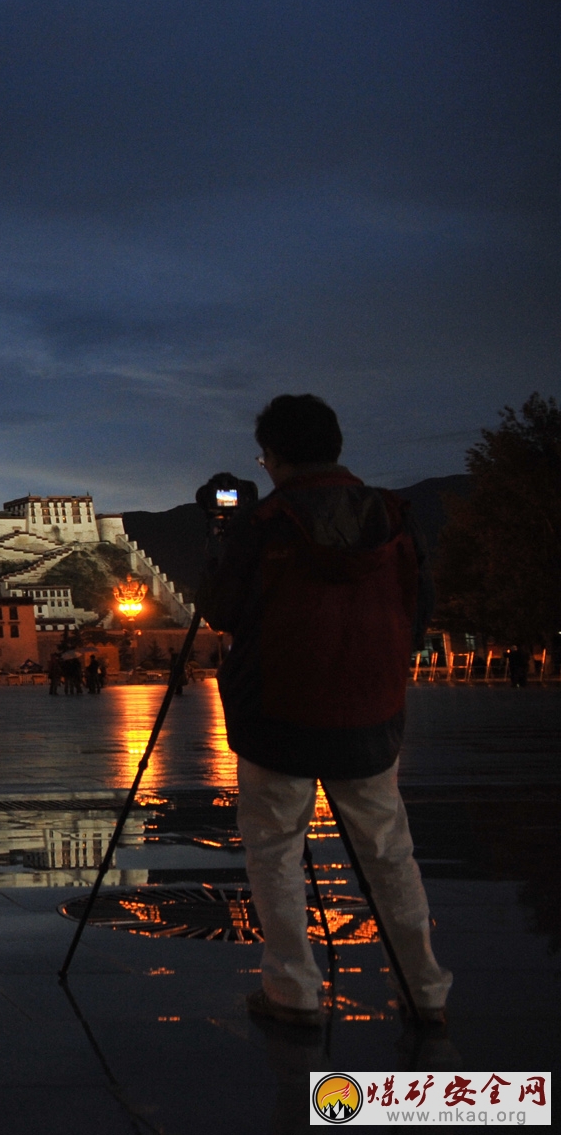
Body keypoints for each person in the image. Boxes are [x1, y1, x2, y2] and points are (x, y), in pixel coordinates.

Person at [198, 393, 451, 1030]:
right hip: (370, 711)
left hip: (276, 713)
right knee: (389, 853)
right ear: (335, 448)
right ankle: (424, 988)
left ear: (275, 456)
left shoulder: (266, 523)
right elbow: (419, 607)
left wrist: (220, 542)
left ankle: (293, 990)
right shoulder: (392, 514)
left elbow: (223, 611)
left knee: (276, 851)